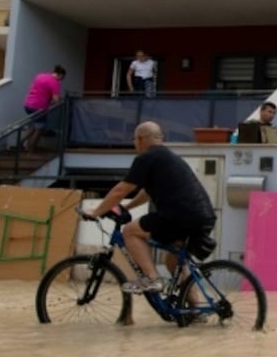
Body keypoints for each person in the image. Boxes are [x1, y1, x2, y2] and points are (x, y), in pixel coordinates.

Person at [88, 121, 217, 294]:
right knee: (173, 260)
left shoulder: (146, 157)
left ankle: (152, 279)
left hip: (179, 215)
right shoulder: (168, 157)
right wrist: (127, 206)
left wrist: (96, 212)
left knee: (130, 232)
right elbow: (147, 192)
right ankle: (195, 309)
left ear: (140, 139)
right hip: (203, 216)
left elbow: (121, 189)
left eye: (134, 140)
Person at [21, 64, 66, 152]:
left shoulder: (40, 76)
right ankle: (30, 149)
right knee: (40, 129)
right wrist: (59, 100)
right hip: (39, 107)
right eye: (62, 78)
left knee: (35, 126)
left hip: (28, 104)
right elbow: (56, 100)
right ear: (60, 75)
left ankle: (21, 142)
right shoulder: (55, 83)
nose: (61, 80)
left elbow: (35, 88)